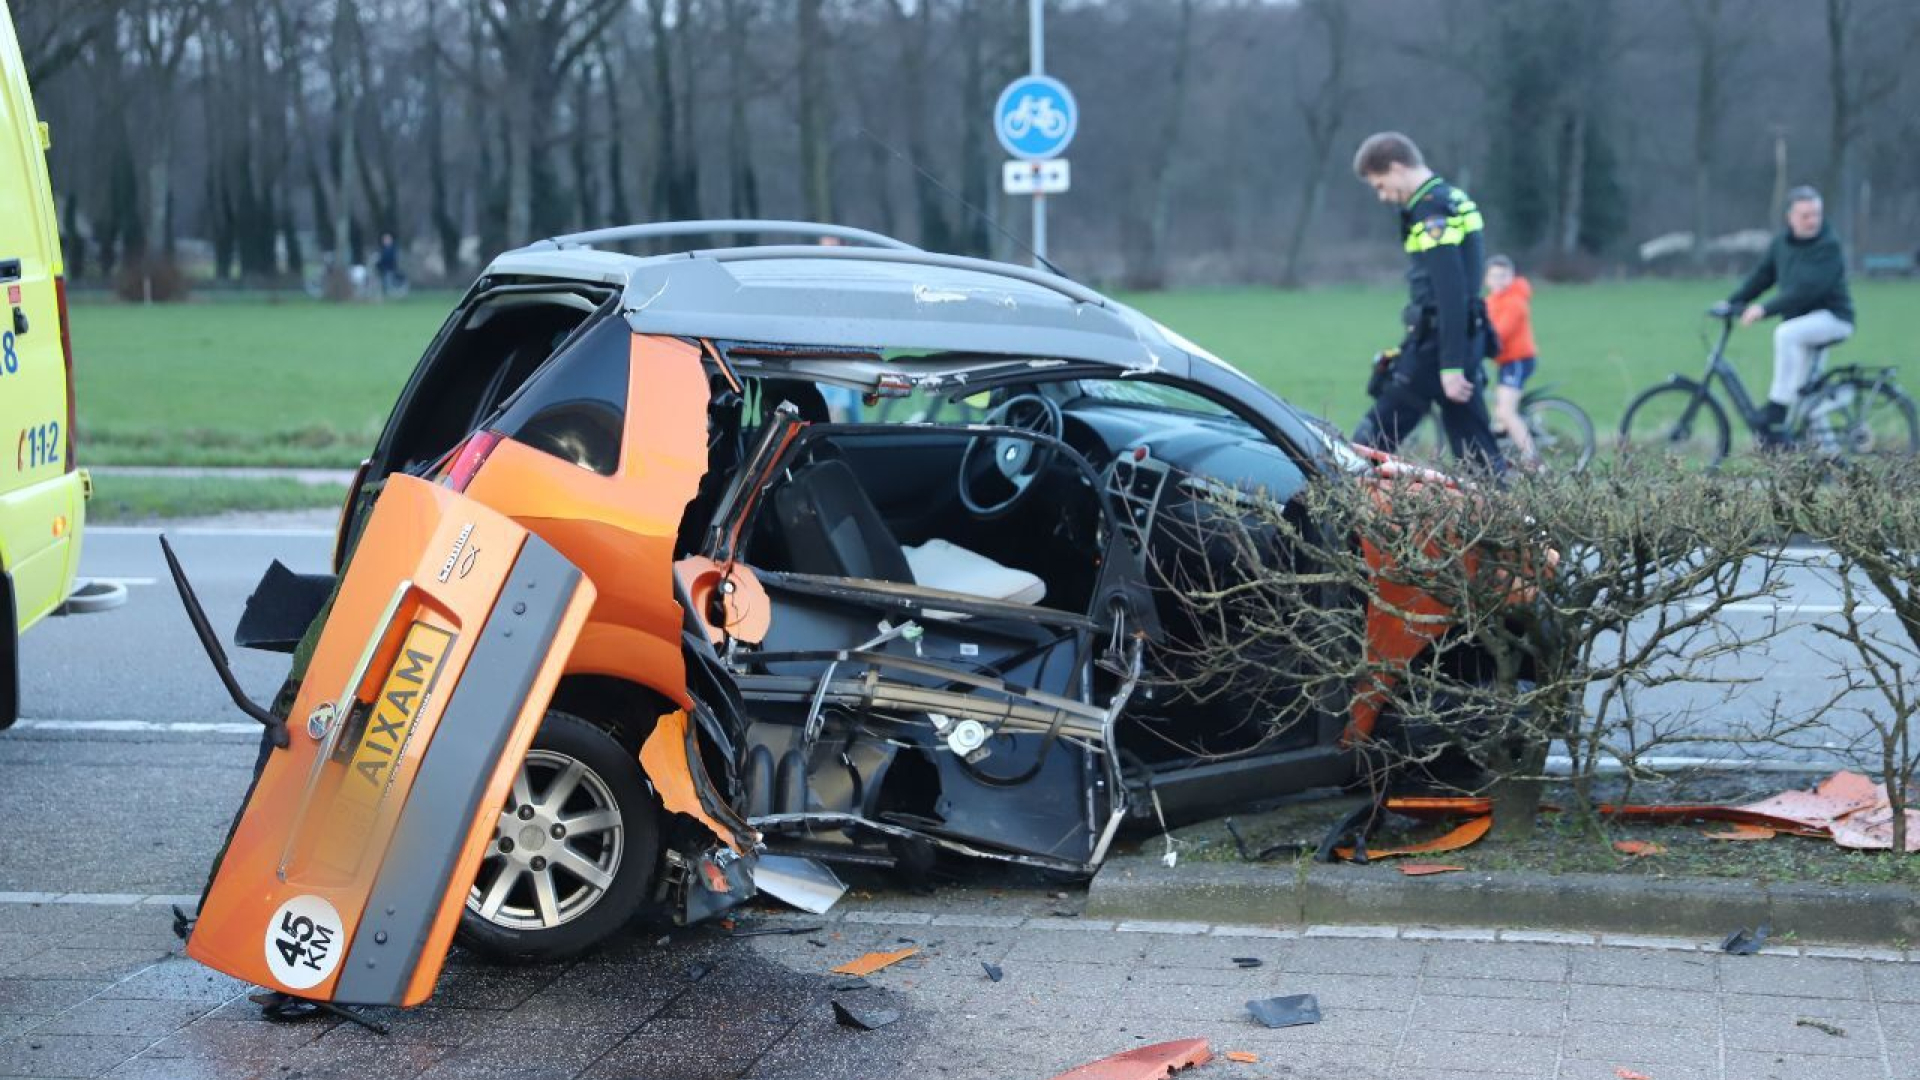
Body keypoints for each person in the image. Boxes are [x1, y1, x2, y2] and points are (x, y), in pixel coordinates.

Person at [1349, 132, 1503, 471]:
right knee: (1477, 452)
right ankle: (1515, 516)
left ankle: (1345, 511)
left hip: (1436, 347)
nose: (1383, 196)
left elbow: (1450, 290)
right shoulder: (1451, 197)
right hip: (1456, 338)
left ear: (1397, 167)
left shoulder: (1430, 209)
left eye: (1380, 184)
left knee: (1367, 443)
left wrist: (1450, 365)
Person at [1726, 185, 1854, 440]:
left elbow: (1806, 290)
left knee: (1785, 334)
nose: (1812, 221)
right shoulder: (1781, 244)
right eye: (1805, 215)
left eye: (1816, 214)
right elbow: (1763, 276)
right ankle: (1832, 460)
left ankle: (1776, 406)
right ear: (1791, 217)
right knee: (1804, 398)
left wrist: (1764, 309)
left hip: (1832, 318)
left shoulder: (1828, 246)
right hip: (1803, 325)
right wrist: (1733, 302)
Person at [1483, 254, 1538, 462]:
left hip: (1518, 361)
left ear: (1512, 277)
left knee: (1506, 412)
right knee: (1498, 415)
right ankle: (1506, 457)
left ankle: (1532, 460)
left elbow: (1499, 333)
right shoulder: (1491, 301)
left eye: (1503, 276)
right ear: (1486, 280)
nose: (1499, 281)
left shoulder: (1515, 301)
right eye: (1494, 276)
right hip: (1506, 362)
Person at [375, 233, 404, 297]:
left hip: (390, 269)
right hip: (383, 269)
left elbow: (390, 259)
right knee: (384, 283)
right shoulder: (383, 249)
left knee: (389, 283)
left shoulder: (392, 249)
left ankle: (390, 296)